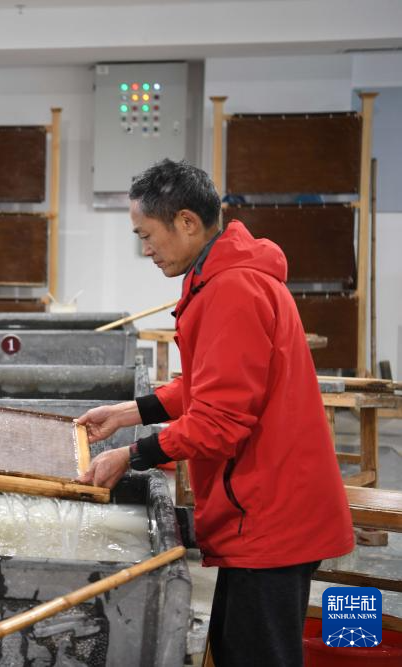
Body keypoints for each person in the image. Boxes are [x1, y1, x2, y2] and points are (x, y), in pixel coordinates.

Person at [76, 159, 353, 667]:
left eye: (147, 235)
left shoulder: (233, 289)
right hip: (264, 509)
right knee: (234, 649)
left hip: (270, 514)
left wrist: (130, 456)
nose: (146, 250)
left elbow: (219, 422)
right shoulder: (217, 278)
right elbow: (210, 384)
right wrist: (129, 412)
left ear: (185, 221)